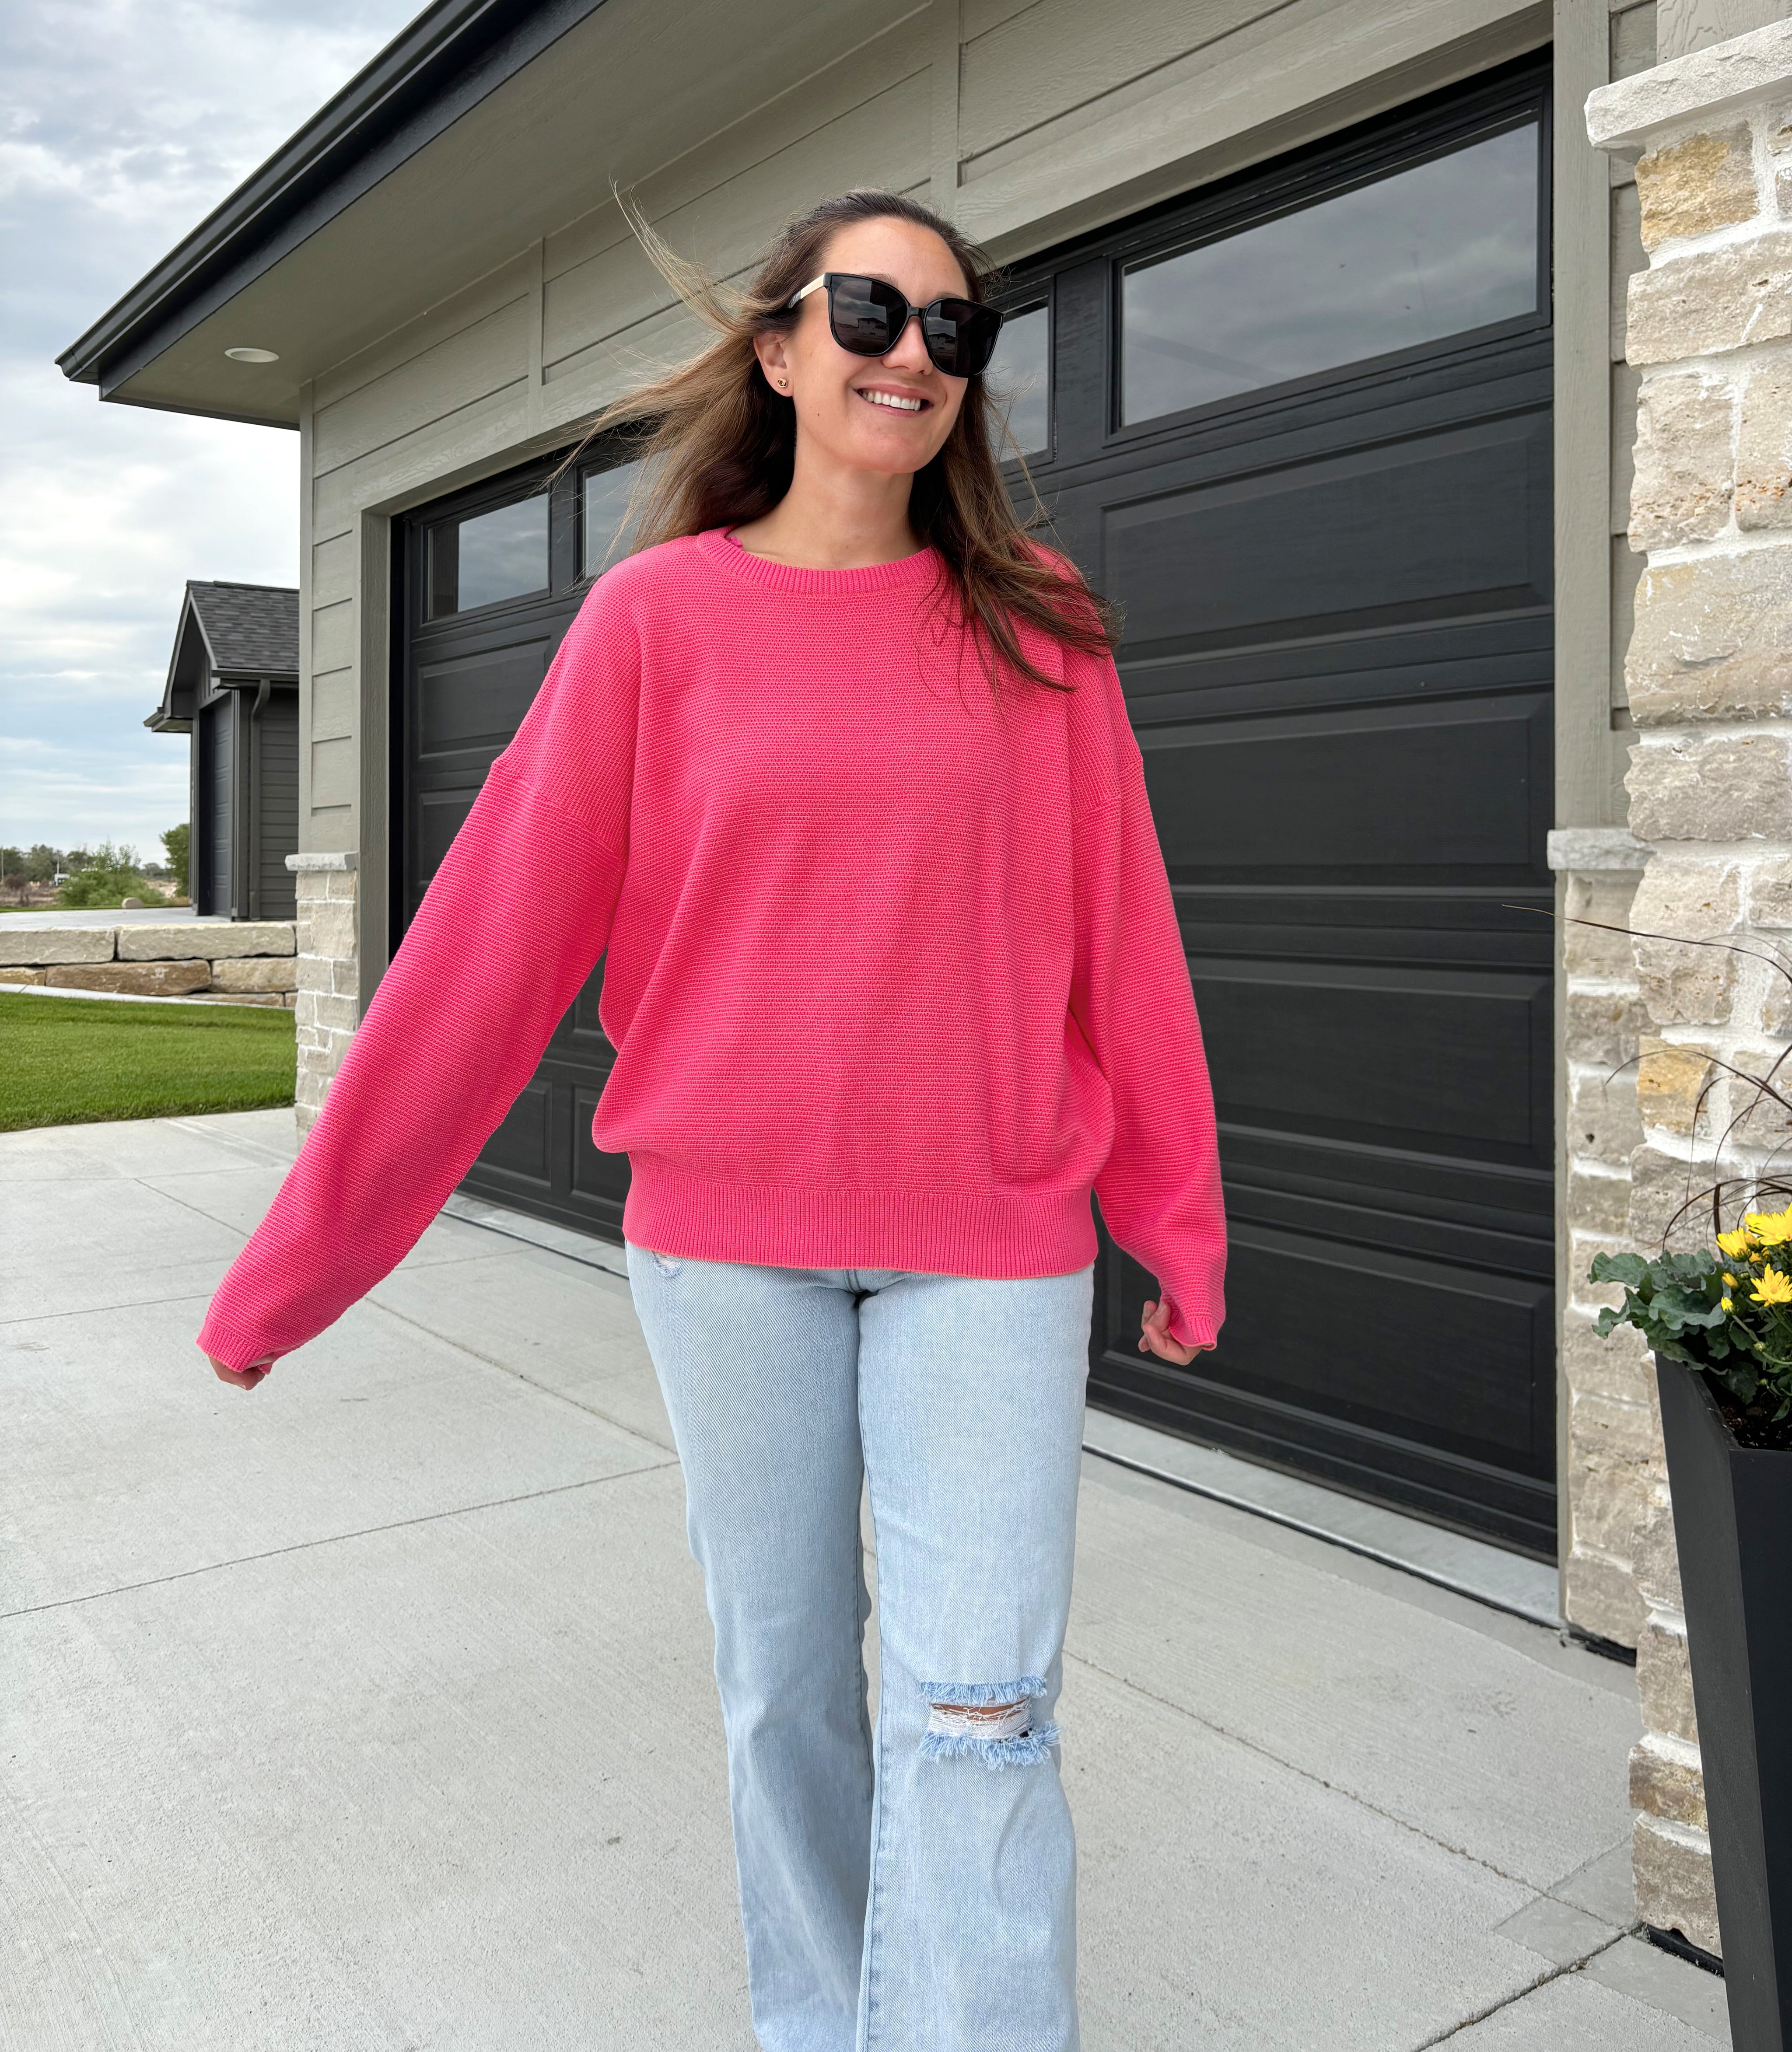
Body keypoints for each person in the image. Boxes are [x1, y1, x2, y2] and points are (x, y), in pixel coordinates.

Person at [196, 188, 1226, 2052]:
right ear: (777, 346)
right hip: (724, 1249)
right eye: (867, 312)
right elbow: (481, 960)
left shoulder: (1037, 626)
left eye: (951, 328)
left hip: (988, 1244)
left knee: (979, 1711)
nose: (911, 353)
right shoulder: (651, 625)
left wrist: (1177, 1211)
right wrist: (299, 1270)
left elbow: (1121, 939)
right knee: (786, 1702)